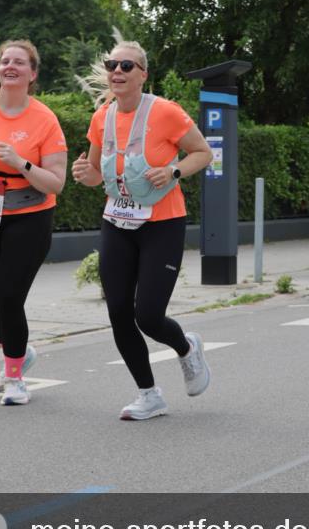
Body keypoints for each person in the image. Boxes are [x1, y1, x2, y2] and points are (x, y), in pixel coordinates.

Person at [72, 41, 213, 420]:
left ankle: (186, 348)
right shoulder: (101, 116)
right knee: (119, 311)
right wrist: (86, 176)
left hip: (162, 224)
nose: (117, 71)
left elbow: (203, 152)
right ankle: (149, 394)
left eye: (126, 66)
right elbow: (97, 173)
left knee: (148, 315)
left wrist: (174, 170)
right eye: (112, 64)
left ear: (142, 75)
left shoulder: (165, 112)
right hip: (116, 221)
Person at [0, 40, 67, 406]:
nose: (9, 66)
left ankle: (14, 378)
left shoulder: (44, 119)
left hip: (29, 214)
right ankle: (18, 351)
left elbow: (56, 182)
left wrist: (22, 162)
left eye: (18, 62)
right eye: (5, 60)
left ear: (32, 73)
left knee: (8, 295)